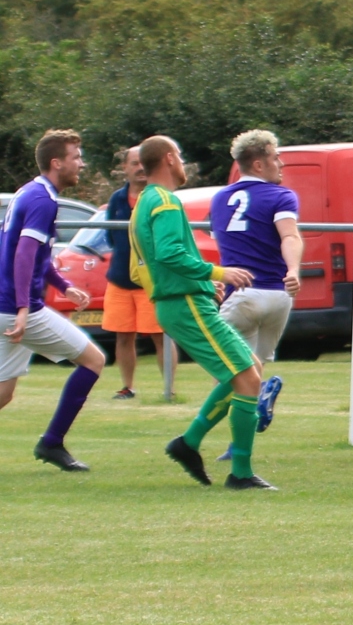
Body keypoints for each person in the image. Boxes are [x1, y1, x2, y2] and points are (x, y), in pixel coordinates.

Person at [129, 135, 275, 490]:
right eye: (179, 155)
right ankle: (240, 472)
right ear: (168, 158)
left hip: (180, 301)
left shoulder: (146, 202)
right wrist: (217, 273)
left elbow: (144, 267)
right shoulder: (164, 201)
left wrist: (204, 284)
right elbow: (169, 253)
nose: (183, 162)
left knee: (248, 371)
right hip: (184, 304)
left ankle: (189, 442)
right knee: (249, 380)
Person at [0, 129, 106, 471]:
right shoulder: (43, 200)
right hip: (21, 309)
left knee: (3, 394)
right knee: (94, 361)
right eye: (76, 157)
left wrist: (62, 285)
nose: (81, 163)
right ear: (56, 162)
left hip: (8, 305)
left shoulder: (30, 192)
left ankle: (52, 443)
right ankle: (52, 442)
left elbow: (37, 255)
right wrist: (20, 309)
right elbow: (23, 255)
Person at [209, 130, 302, 460]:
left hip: (243, 296)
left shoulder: (220, 199)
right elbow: (289, 236)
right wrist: (292, 270)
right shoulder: (281, 197)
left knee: (231, 374)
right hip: (278, 298)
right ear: (259, 163)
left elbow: (225, 243)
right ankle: (237, 446)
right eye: (276, 157)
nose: (281, 163)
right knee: (251, 370)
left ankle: (193, 438)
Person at [102, 146, 177, 399]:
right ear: (125, 168)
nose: (139, 168)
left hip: (151, 281)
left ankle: (169, 389)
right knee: (123, 336)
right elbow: (111, 238)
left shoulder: (160, 197)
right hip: (120, 280)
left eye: (142, 162)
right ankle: (127, 387)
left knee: (161, 336)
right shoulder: (116, 200)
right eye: (133, 163)